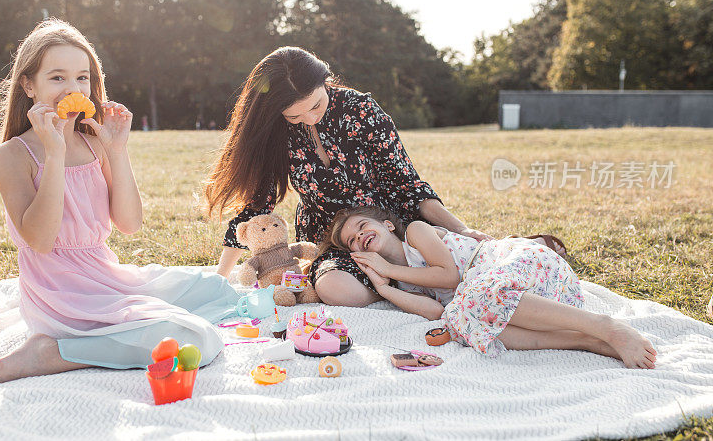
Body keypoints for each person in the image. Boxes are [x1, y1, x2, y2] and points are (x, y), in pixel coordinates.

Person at [0, 19, 239, 385]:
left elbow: (130, 225)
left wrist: (117, 151)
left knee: (216, 289)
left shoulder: (94, 144)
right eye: (57, 78)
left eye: (82, 78)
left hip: (105, 275)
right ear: (28, 84)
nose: (72, 88)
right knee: (198, 338)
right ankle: (56, 352)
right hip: (60, 292)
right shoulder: (12, 155)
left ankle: (108, 334)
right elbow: (39, 239)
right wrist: (53, 155)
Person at [204, 46, 515, 307]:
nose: (310, 119)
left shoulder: (361, 110)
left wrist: (461, 228)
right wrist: (221, 278)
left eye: (316, 105)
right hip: (337, 241)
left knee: (463, 258)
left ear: (325, 82)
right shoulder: (275, 130)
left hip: (387, 227)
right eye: (295, 116)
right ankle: (393, 288)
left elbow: (408, 184)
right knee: (334, 288)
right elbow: (255, 208)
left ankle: (405, 277)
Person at [325, 205, 658, 369]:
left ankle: (604, 327)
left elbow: (448, 277)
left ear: (385, 224)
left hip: (516, 264)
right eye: (352, 241)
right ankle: (586, 341)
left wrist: (388, 268)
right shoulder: (400, 281)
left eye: (362, 226)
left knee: (479, 297)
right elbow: (438, 312)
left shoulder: (415, 232)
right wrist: (385, 288)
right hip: (513, 304)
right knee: (463, 324)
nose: (359, 237)